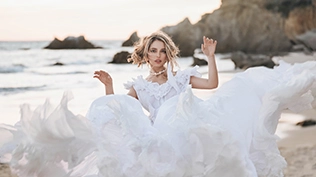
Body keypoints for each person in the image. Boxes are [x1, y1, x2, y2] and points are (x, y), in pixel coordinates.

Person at [0, 31, 316, 177]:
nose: (158, 56)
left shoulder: (182, 79)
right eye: (153, 51)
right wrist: (109, 87)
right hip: (160, 141)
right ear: (145, 55)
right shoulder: (138, 86)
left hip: (187, 133)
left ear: (168, 55)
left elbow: (213, 85)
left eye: (162, 51)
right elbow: (121, 111)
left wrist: (209, 58)